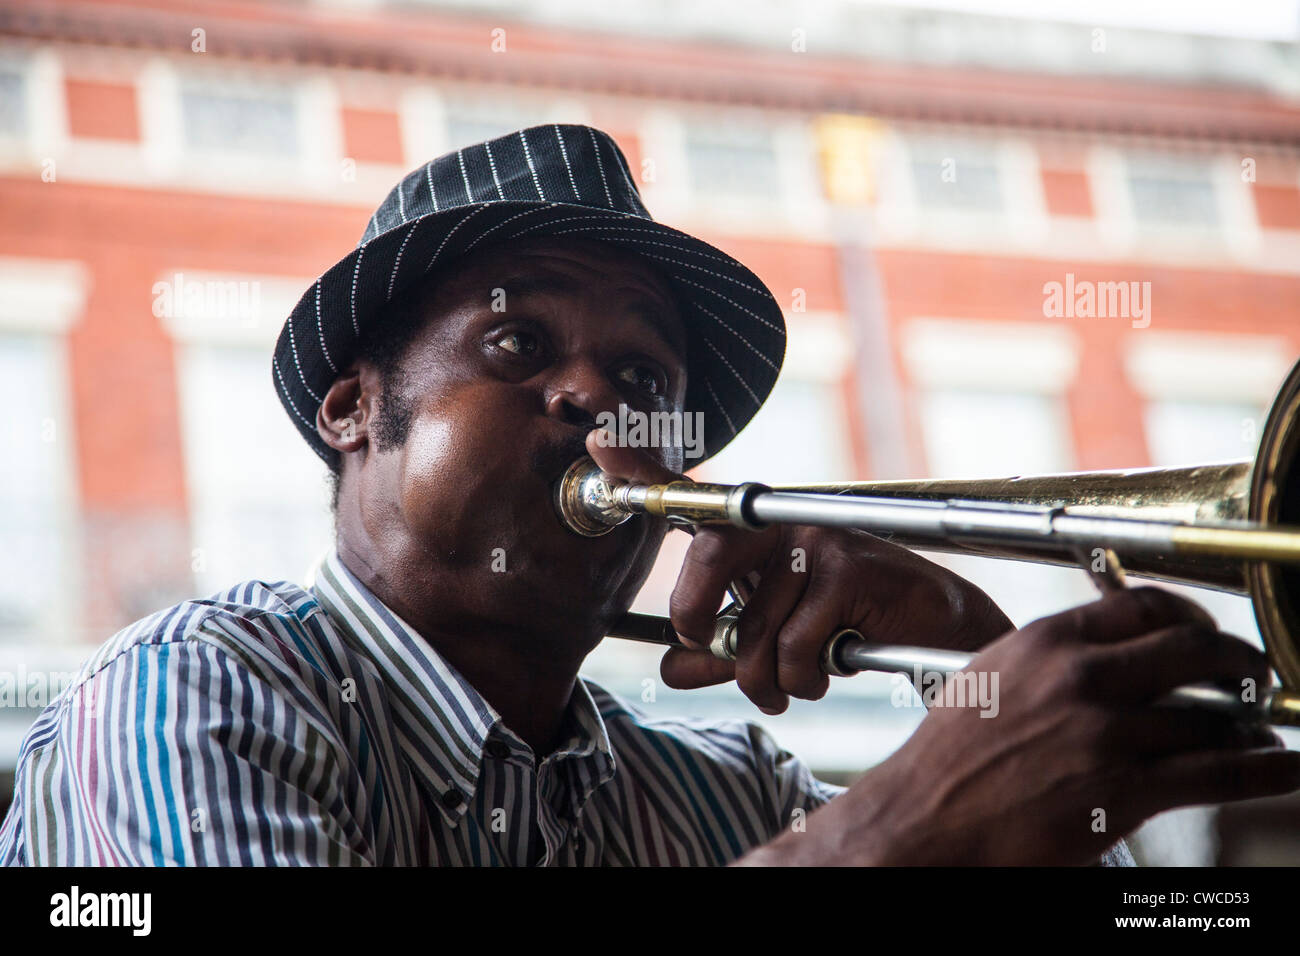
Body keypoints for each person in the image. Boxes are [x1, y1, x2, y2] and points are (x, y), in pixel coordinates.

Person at [2, 125, 1295, 866]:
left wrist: (975, 656)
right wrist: (877, 846)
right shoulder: (190, 695)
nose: (594, 402)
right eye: (517, 347)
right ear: (354, 411)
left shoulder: (729, 789)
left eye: (640, 377)